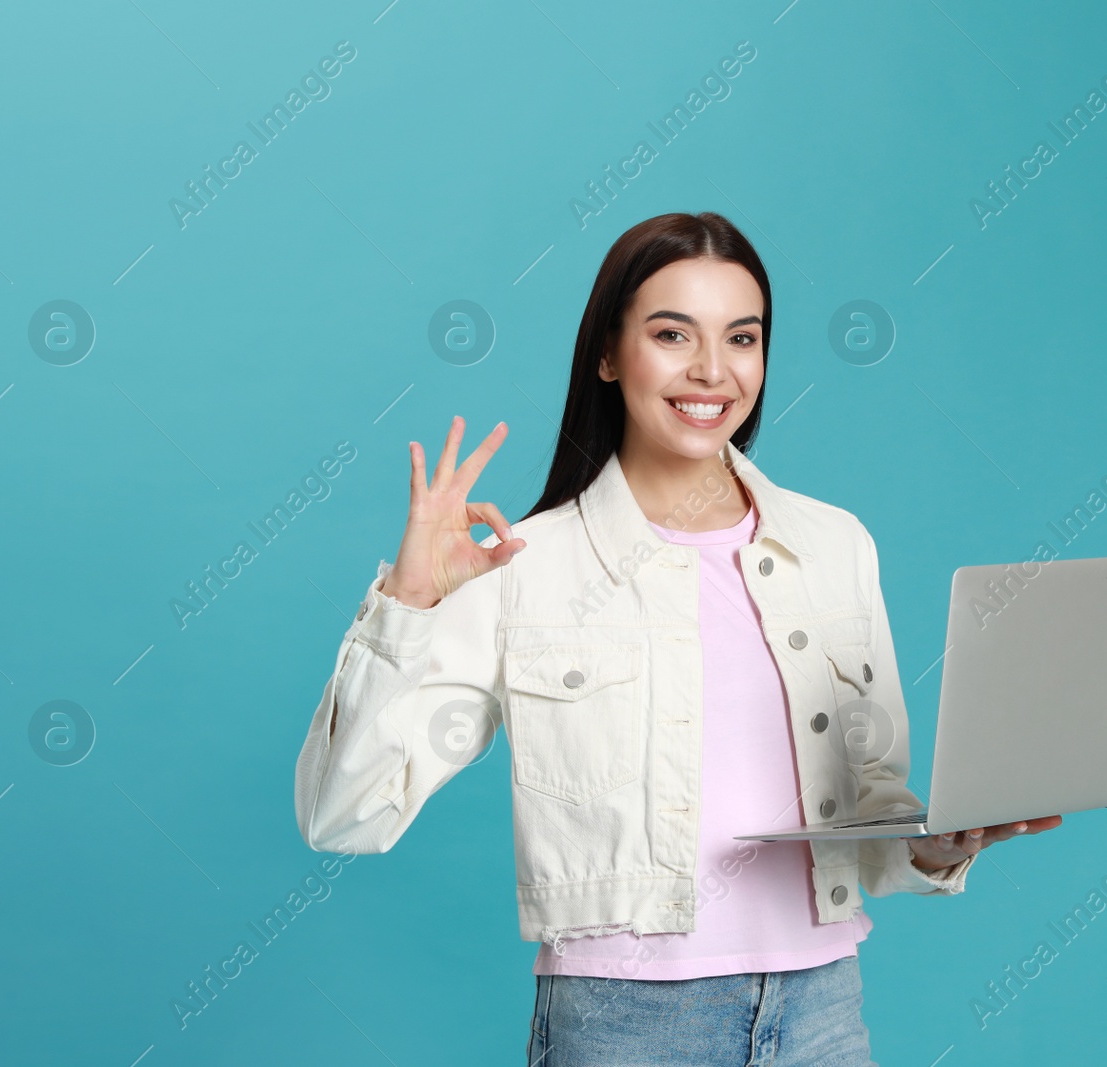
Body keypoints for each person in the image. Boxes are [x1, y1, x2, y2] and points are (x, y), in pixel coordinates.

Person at [293, 211, 1062, 1065]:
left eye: (742, 337)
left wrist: (933, 843)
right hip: (626, 1022)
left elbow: (865, 813)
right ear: (609, 354)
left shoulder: (835, 544)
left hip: (824, 1007)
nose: (712, 370)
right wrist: (408, 601)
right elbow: (343, 815)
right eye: (671, 333)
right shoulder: (519, 565)